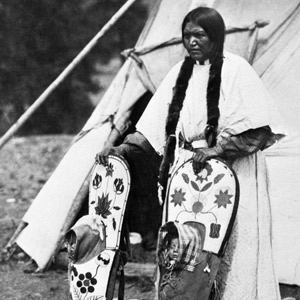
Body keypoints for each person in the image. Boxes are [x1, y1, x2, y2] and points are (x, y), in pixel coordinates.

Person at [96, 6, 284, 299]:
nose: (192, 42)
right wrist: (121, 148)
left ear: (216, 37)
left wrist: (217, 149)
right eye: (187, 36)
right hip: (188, 178)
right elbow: (152, 129)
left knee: (231, 247)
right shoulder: (178, 74)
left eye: (200, 35)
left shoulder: (236, 70)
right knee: (183, 247)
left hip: (234, 177)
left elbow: (259, 132)